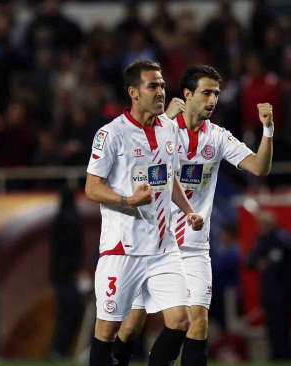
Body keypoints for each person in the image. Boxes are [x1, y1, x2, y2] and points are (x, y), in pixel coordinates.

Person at [113, 65, 274, 366]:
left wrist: (268, 129)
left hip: (194, 246)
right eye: (206, 92)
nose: (212, 99)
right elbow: (135, 165)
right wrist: (165, 118)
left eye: (216, 93)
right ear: (187, 94)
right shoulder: (161, 128)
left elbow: (259, 167)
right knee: (132, 324)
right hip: (152, 244)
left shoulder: (218, 137)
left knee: (197, 321)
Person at [85, 59, 204, 366]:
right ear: (134, 93)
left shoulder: (167, 129)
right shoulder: (111, 134)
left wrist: (189, 210)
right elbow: (92, 187)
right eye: (153, 85)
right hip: (123, 249)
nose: (161, 91)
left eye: (163, 85)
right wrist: (127, 201)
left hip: (163, 249)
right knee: (109, 330)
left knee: (181, 320)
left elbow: (168, 177)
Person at [247, 211, 291, 361]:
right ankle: (277, 357)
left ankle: (284, 358)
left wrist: (267, 264)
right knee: (273, 328)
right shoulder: (262, 240)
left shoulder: (284, 239)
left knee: (283, 328)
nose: (261, 228)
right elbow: (249, 261)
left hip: (285, 291)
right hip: (270, 292)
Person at [49, 187, 85, 359]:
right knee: (72, 311)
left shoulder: (57, 221)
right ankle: (59, 350)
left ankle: (60, 350)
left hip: (59, 276)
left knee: (68, 311)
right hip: (68, 276)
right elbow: (75, 251)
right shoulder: (72, 221)